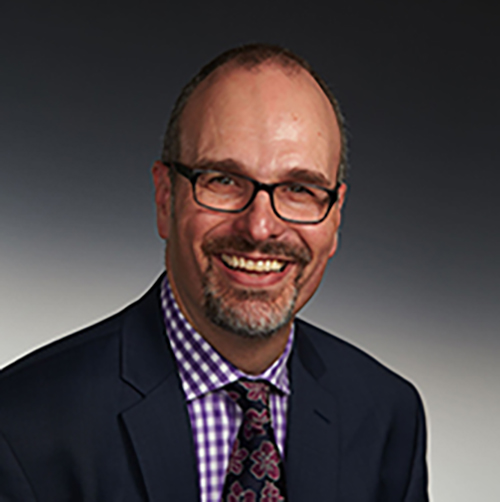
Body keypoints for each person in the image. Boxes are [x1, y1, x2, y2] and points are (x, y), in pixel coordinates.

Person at [0, 44, 428, 501]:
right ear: (165, 198)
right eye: (223, 180)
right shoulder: (20, 426)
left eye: (300, 189)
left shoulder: (387, 417)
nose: (259, 227)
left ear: (335, 216)